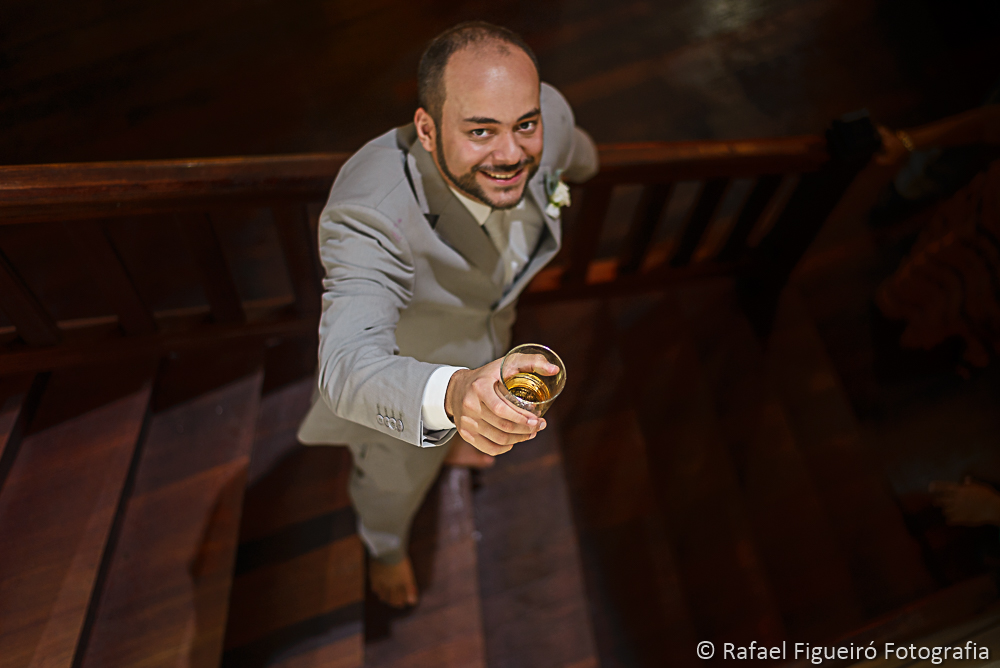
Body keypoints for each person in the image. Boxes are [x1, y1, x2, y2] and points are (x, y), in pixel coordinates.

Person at [296, 21, 599, 608]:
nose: (512, 154)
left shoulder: (551, 120)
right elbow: (346, 368)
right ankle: (385, 548)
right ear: (428, 130)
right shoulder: (369, 212)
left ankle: (455, 441)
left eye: (525, 125)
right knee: (395, 482)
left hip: (491, 337)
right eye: (480, 131)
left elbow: (576, 152)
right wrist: (455, 395)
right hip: (414, 379)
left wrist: (584, 166)